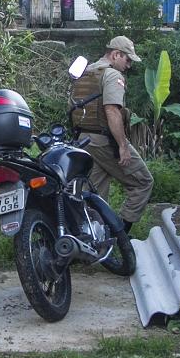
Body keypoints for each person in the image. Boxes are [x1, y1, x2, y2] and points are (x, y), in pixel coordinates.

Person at [69, 35, 154, 232]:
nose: (129, 65)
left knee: (94, 193)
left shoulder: (85, 73)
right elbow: (112, 111)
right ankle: (120, 233)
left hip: (83, 140)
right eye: (128, 59)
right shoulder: (112, 75)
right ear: (116, 54)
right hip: (104, 140)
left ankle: (90, 237)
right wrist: (123, 146)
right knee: (143, 182)